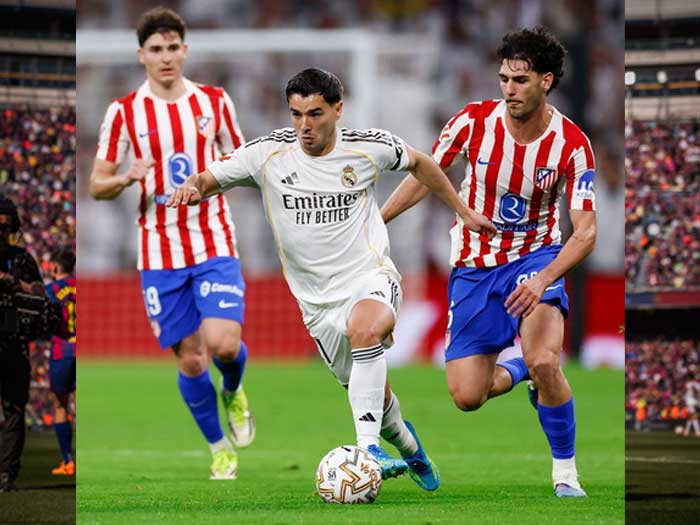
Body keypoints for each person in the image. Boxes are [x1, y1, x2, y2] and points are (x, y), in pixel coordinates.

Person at [167, 67, 495, 490]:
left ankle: (366, 452)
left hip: (369, 275)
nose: (304, 125)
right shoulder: (267, 153)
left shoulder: (368, 147)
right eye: (296, 114)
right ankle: (409, 446)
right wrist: (193, 187)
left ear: (338, 109)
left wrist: (463, 211)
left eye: (315, 114)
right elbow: (209, 178)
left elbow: (421, 162)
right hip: (317, 303)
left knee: (366, 329)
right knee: (377, 400)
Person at [381, 27, 596, 498]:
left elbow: (585, 232)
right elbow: (426, 175)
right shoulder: (471, 123)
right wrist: (378, 220)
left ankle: (565, 473)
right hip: (475, 266)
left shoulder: (572, 145)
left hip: (536, 258)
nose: (509, 89)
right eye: (504, 79)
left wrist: (544, 278)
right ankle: (521, 371)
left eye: (520, 80)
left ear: (546, 81)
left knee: (546, 358)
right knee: (467, 396)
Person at [89, 7, 253, 480]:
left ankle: (233, 389)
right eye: (156, 49)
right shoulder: (123, 112)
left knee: (223, 345)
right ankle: (219, 448)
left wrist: (215, 178)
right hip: (158, 250)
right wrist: (126, 177)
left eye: (173, 47)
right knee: (191, 357)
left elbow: (242, 161)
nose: (165, 57)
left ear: (185, 50)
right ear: (141, 55)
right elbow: (97, 185)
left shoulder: (214, 102)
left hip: (213, 238)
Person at [0, 196, 45, 492]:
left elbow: (40, 292)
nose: (0, 232)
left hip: (14, 342)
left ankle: (6, 474)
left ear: (12, 228)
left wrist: (16, 284)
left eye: (4, 227)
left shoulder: (21, 259)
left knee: (15, 409)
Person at [44, 249, 77, 475]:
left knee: (60, 405)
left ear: (55, 267)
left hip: (61, 351)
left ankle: (68, 461)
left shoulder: (52, 290)